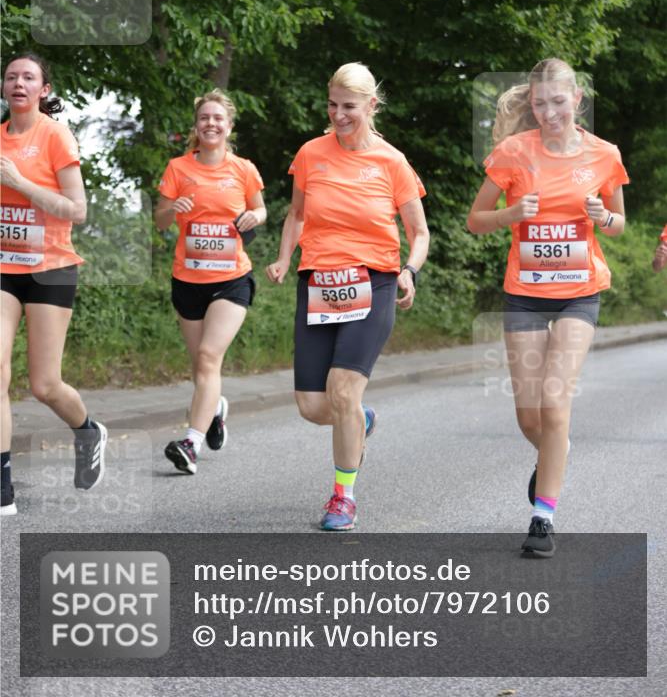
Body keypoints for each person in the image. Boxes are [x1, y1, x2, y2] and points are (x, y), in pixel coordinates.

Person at [467, 58, 629, 557]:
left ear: (577, 98)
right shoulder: (513, 152)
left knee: (556, 403)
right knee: (530, 416)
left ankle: (543, 517)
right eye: (539, 103)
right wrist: (513, 214)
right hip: (525, 294)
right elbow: (476, 220)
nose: (549, 112)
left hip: (580, 292)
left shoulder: (604, 155)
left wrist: (604, 216)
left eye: (558, 102)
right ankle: (555, 451)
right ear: (530, 103)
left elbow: (620, 221)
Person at [266, 62, 429, 531]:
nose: (338, 115)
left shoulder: (391, 162)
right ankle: (360, 418)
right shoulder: (310, 154)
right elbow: (296, 214)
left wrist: (409, 270)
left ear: (371, 106)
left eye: (349, 107)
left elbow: (419, 231)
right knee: (313, 406)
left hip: (373, 282)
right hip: (319, 283)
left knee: (341, 391)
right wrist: (282, 257)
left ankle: (343, 497)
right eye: (333, 105)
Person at [1, 52, 107, 516]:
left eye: (28, 77)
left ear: (44, 90)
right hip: (4, 266)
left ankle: (87, 431)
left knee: (44, 385)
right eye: (10, 76)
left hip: (50, 269)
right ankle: (2, 484)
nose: (18, 83)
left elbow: (77, 210)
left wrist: (20, 183)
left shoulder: (55, 134)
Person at [156, 89, 265, 475]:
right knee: (201, 369)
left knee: (208, 357)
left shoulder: (243, 169)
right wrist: (173, 208)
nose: (211, 124)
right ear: (196, 125)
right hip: (187, 279)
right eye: (205, 118)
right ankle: (215, 408)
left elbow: (260, 208)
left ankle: (191, 444)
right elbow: (160, 220)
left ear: (229, 126)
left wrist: (256, 217)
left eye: (218, 118)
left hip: (231, 279)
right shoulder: (178, 168)